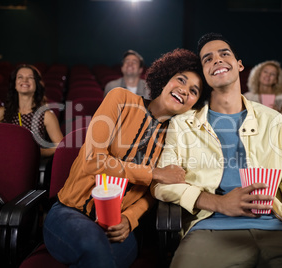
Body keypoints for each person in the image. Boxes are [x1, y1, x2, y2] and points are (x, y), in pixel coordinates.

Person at [151, 33, 282, 267]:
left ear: (239, 65)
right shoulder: (183, 124)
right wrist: (217, 203)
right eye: (208, 59)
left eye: (225, 54)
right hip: (209, 230)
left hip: (278, 229)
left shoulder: (273, 120)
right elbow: (163, 184)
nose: (218, 60)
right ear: (203, 75)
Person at [43, 48, 207, 268]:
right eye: (181, 79)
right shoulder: (120, 98)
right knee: (96, 249)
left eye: (194, 91)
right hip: (70, 212)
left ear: (194, 105)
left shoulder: (176, 136)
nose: (184, 90)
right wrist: (154, 173)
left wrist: (130, 218)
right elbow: (94, 160)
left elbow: (155, 191)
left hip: (120, 225)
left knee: (101, 259)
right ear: (166, 78)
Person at [0, 64, 63, 157]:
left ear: (37, 84)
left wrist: (38, 152)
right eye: (20, 77)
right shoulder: (0, 112)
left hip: (31, 165)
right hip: (4, 161)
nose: (24, 80)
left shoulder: (46, 115)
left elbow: (61, 146)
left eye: (30, 77)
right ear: (14, 84)